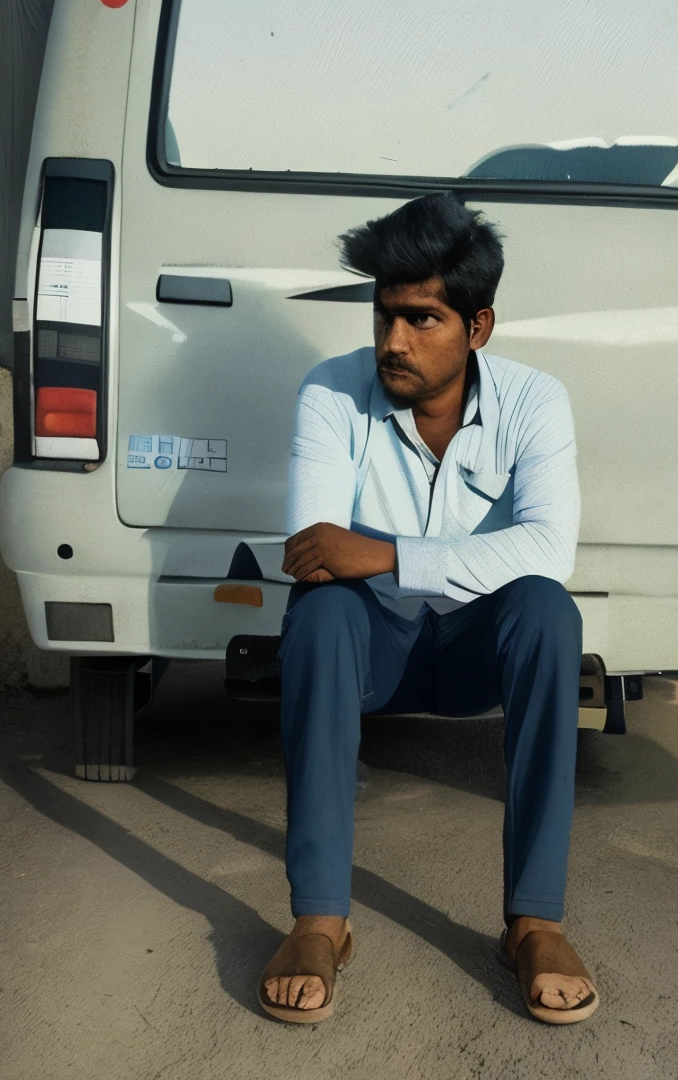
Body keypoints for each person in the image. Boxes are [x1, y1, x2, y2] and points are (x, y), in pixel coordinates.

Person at [258, 192, 598, 1028]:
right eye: (383, 317)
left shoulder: (534, 401)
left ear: (478, 328)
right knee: (320, 614)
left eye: (421, 320)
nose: (391, 343)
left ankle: (534, 921)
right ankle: (320, 919)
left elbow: (549, 550)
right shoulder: (331, 395)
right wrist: (371, 562)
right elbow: (314, 548)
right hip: (375, 644)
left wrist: (386, 553)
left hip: (480, 645)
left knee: (548, 613)